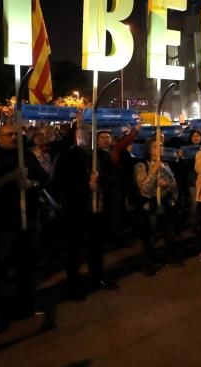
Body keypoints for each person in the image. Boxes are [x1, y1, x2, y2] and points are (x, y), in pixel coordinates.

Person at [0, 123, 49, 334]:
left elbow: (43, 180)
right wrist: (11, 178)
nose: (14, 137)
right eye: (9, 135)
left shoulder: (27, 156)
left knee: (27, 263)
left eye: (17, 134)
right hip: (2, 222)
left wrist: (31, 184)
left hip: (29, 218)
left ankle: (27, 302)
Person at [52, 125, 119, 300]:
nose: (88, 137)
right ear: (77, 135)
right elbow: (57, 184)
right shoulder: (66, 157)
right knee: (74, 251)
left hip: (97, 210)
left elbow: (113, 179)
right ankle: (74, 286)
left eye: (91, 134)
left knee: (96, 248)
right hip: (75, 212)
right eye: (85, 134)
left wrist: (101, 180)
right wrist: (85, 185)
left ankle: (97, 278)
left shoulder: (101, 156)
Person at [134, 136, 181, 274]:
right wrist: (154, 174)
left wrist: (167, 186)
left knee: (169, 232)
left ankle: (169, 256)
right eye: (155, 146)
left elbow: (173, 185)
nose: (159, 149)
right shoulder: (141, 165)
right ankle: (146, 263)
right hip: (150, 204)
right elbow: (144, 188)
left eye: (160, 146)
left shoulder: (165, 165)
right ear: (149, 149)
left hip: (165, 203)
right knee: (150, 235)